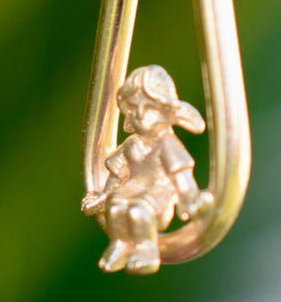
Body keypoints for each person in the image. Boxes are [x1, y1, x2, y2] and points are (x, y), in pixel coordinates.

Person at [82, 64, 213, 275]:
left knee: (137, 211)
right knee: (115, 205)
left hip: (157, 198)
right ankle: (121, 244)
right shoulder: (133, 145)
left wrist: (189, 197)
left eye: (148, 107)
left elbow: (180, 175)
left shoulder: (167, 144)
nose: (140, 115)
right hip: (133, 189)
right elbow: (118, 175)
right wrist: (104, 196)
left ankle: (146, 250)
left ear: (164, 108)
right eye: (134, 108)